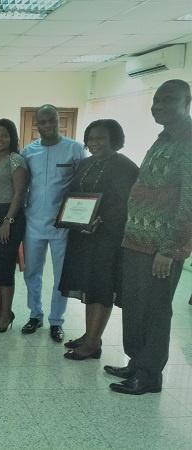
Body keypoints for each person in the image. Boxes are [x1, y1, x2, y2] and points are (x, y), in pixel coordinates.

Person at [105, 79, 192, 395]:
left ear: (187, 103)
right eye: (156, 100)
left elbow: (189, 202)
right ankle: (136, 363)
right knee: (135, 305)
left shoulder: (189, 141)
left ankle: (150, 375)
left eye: (167, 100)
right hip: (137, 241)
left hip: (160, 248)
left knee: (155, 310)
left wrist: (169, 249)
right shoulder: (163, 139)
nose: (158, 106)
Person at [59, 119, 138, 360]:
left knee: (101, 287)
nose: (95, 143)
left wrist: (99, 220)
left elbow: (128, 203)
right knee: (87, 285)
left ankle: (93, 342)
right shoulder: (85, 164)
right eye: (91, 138)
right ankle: (90, 335)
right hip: (82, 235)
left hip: (107, 238)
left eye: (101, 138)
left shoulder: (125, 166)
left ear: (114, 139)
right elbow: (75, 194)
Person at [21, 104, 85, 342]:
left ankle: (56, 320)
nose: (48, 126)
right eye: (43, 122)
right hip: (34, 223)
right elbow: (24, 185)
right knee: (32, 272)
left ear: (59, 121)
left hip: (62, 226)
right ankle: (35, 314)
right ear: (36, 124)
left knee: (61, 277)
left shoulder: (75, 149)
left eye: (52, 121)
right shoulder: (29, 152)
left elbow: (83, 188)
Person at [0, 119, 27, 333]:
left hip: (8, 217)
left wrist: (7, 221)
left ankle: (7, 314)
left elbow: (19, 193)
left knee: (5, 268)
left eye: (4, 135)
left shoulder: (16, 160)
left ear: (12, 138)